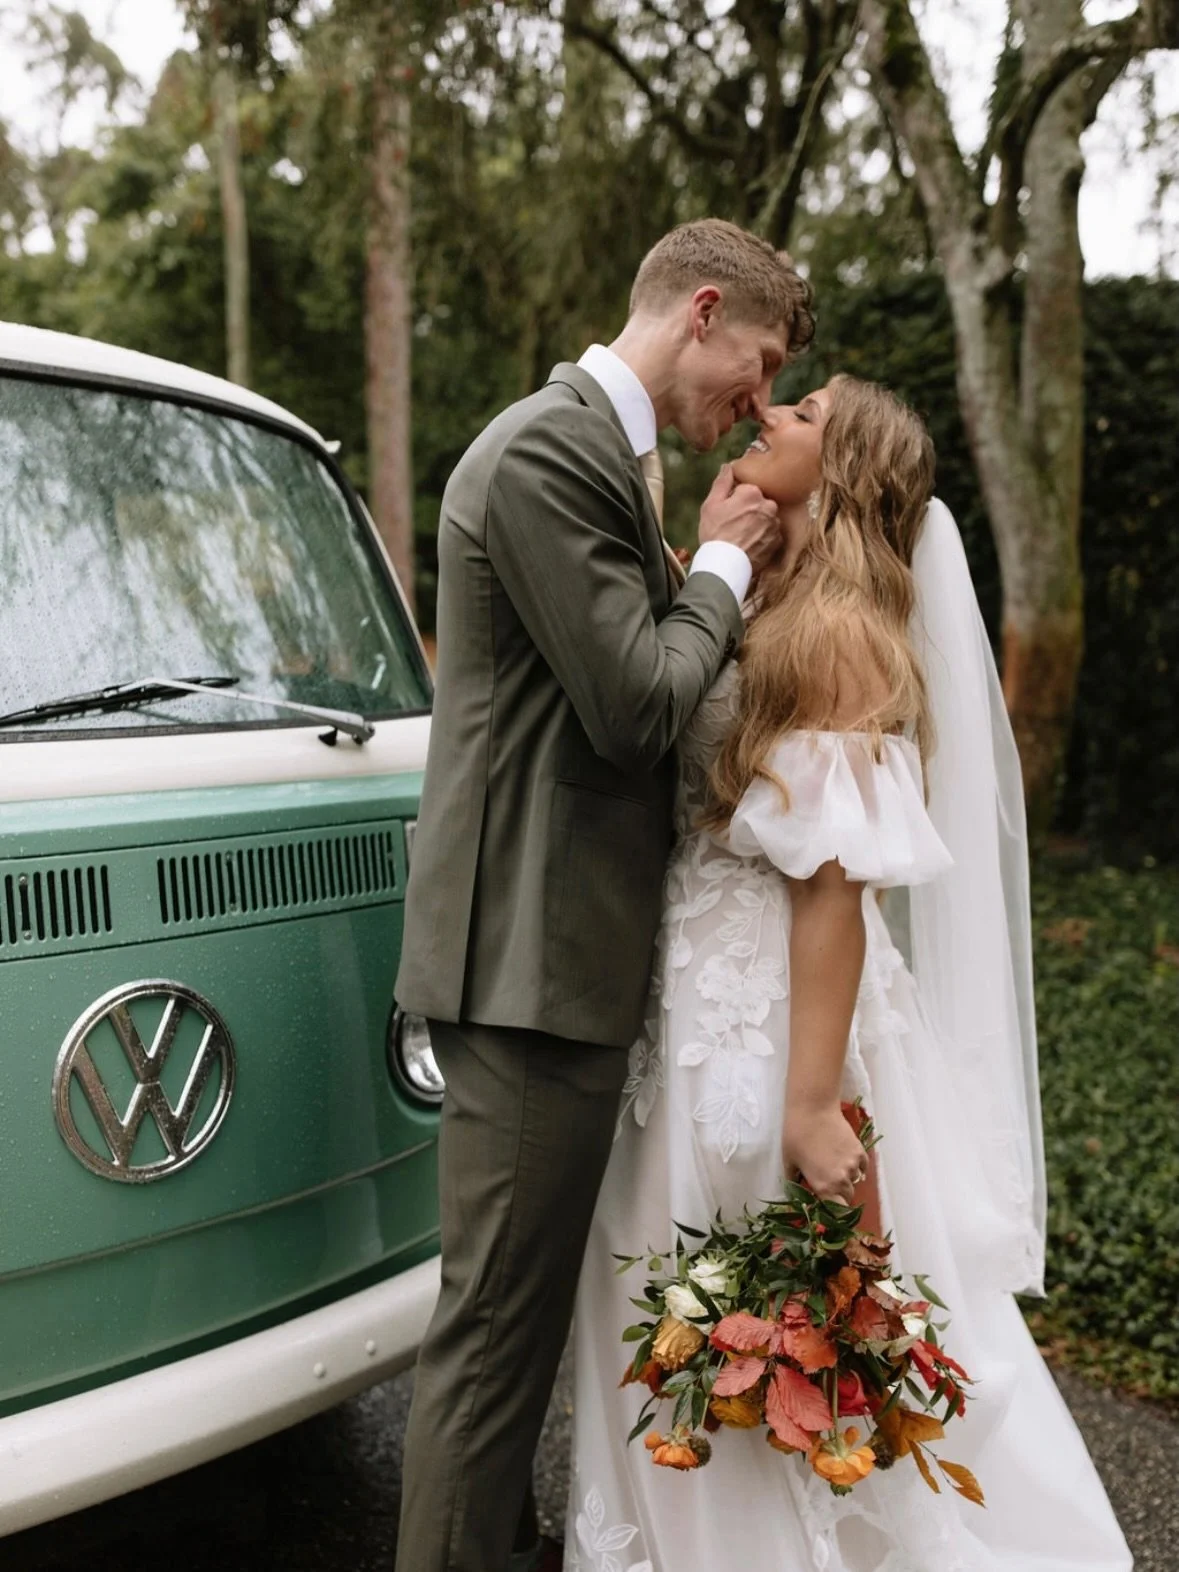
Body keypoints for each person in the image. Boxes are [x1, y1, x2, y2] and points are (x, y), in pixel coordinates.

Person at [567, 376, 1133, 1571]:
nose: (770, 415)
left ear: (844, 471)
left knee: (733, 1292)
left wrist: (813, 1102)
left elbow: (833, 889)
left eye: (805, 414)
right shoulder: (766, 595)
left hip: (768, 1019)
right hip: (689, 994)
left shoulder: (835, 634)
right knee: (671, 1293)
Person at [394, 218, 817, 1572]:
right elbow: (635, 706)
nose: (750, 405)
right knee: (488, 1354)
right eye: (750, 367)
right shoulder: (547, 449)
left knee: (515, 1349)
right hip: (525, 963)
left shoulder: (602, 453)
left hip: (561, 961)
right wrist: (721, 567)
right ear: (698, 312)